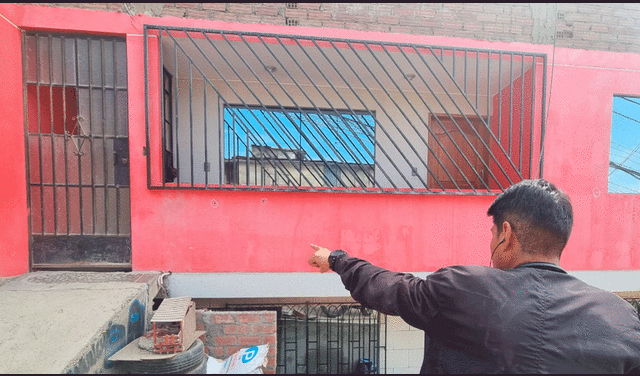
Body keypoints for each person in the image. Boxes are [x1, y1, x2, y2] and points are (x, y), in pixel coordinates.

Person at [308, 179, 640, 373]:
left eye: (491, 233)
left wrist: (336, 259)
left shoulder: (464, 288)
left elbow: (388, 288)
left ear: (506, 234)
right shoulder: (622, 318)